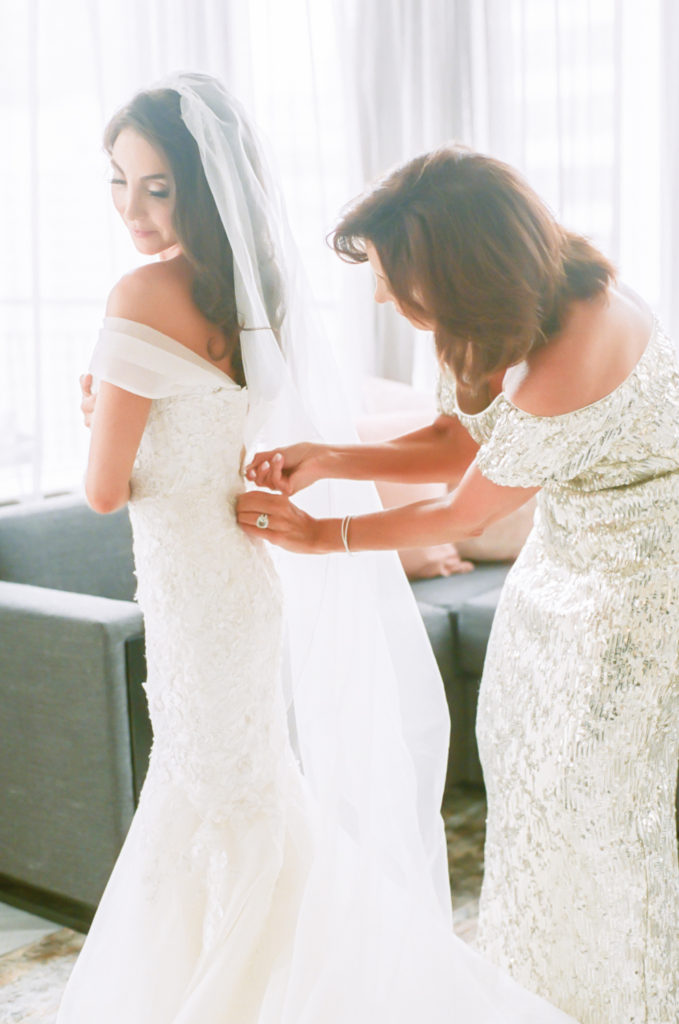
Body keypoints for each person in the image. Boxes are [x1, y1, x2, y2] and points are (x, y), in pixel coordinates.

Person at [58, 75, 577, 1023]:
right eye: (118, 183)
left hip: (190, 586)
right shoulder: (250, 293)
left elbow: (103, 490)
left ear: (200, 187)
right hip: (240, 581)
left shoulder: (138, 295)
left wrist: (95, 411)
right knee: (244, 789)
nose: (133, 209)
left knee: (217, 793)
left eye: (157, 187)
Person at [239, 145, 679, 1024]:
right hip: (556, 574)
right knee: (526, 778)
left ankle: (623, 999)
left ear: (460, 263)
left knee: (601, 809)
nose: (382, 298)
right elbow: (459, 440)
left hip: (634, 597)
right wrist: (330, 457)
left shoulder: (584, 338)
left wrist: (327, 535)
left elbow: (462, 512)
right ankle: (537, 989)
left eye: (393, 278)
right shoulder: (506, 314)